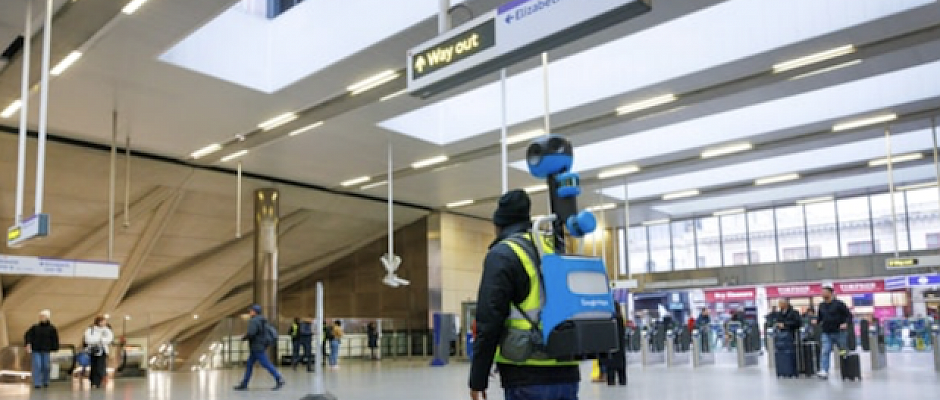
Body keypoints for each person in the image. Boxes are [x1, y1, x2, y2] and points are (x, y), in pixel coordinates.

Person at [469, 189, 580, 400]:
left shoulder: (503, 254)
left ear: (499, 225)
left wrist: (478, 379)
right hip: (567, 370)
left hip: (527, 373)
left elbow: (489, 321)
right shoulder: (551, 248)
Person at [234, 304, 285, 391]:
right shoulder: (262, 320)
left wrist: (244, 337)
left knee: (265, 363)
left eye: (251, 311)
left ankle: (279, 378)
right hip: (259, 345)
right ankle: (244, 383)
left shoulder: (254, 321)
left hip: (257, 346)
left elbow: (251, 333)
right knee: (249, 364)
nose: (249, 312)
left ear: (254, 312)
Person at [816, 286, 852, 379]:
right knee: (825, 351)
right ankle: (824, 370)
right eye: (821, 292)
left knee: (843, 351)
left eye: (824, 292)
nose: (822, 294)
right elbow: (819, 318)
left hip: (839, 332)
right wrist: (817, 322)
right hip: (826, 332)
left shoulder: (839, 304)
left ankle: (847, 368)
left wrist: (845, 323)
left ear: (830, 293)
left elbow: (848, 315)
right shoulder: (821, 305)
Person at [24, 309, 59, 389]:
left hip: (46, 350)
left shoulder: (52, 328)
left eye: (43, 316)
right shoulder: (34, 327)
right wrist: (28, 343)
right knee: (37, 365)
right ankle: (37, 382)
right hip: (36, 349)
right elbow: (28, 335)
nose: (41, 317)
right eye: (40, 316)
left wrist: (55, 348)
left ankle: (46, 380)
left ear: (47, 317)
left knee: (46, 366)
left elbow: (55, 339)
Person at [83, 316, 114, 389]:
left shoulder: (107, 330)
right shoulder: (90, 330)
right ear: (99, 322)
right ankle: (93, 381)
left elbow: (109, 338)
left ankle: (97, 381)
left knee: (100, 366)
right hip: (93, 350)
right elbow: (88, 339)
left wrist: (102, 340)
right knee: (94, 366)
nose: (104, 323)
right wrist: (98, 340)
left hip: (103, 351)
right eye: (103, 321)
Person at [604, 304, 627, 386]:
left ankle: (611, 380)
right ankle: (622, 380)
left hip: (610, 345)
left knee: (610, 364)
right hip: (620, 345)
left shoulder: (608, 318)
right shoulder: (621, 319)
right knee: (621, 364)